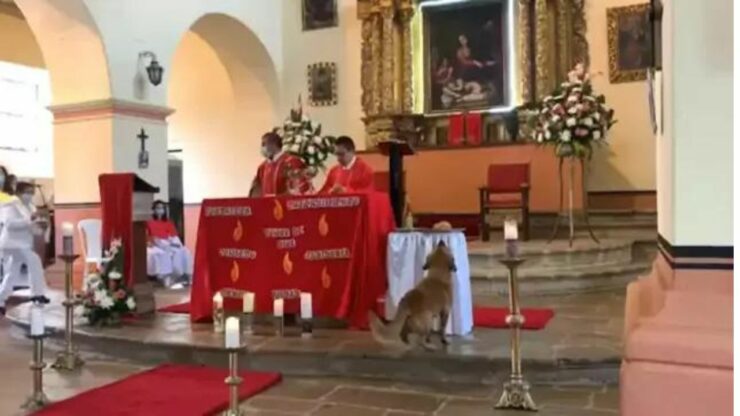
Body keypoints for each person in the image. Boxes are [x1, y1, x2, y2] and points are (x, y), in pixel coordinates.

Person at [0, 182, 49, 315]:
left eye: (32, 192)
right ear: (20, 192)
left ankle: (1, 300)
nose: (30, 195)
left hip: (22, 244)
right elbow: (10, 224)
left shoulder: (31, 207)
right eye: (28, 192)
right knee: (34, 261)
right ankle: (37, 294)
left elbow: (31, 227)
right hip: (12, 244)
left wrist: (41, 227)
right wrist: (30, 220)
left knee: (11, 273)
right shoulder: (10, 205)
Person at [146, 200, 192, 287]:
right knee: (163, 254)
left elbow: (174, 236)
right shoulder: (149, 222)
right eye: (158, 208)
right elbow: (148, 236)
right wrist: (152, 242)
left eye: (162, 208)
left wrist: (174, 243)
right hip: (155, 244)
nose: (160, 210)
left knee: (185, 251)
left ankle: (184, 275)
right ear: (153, 210)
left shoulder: (168, 223)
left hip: (169, 243)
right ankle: (165, 277)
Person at [249, 131, 309, 197]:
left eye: (263, 144)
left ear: (273, 144)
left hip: (285, 205)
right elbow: (256, 191)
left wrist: (277, 198)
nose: (262, 148)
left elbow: (300, 189)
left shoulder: (292, 162)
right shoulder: (262, 167)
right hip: (266, 206)